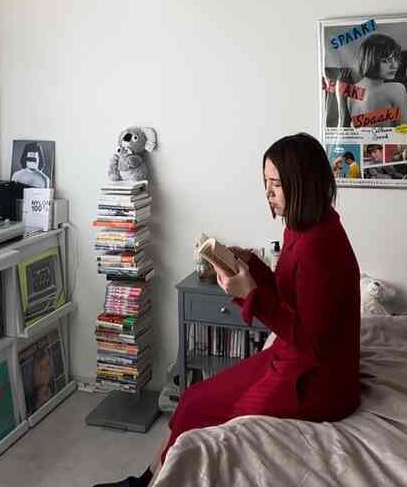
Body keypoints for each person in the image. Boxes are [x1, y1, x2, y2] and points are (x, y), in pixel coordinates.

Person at [94, 133, 361, 487]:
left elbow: (313, 341)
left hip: (315, 383)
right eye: (265, 183)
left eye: (276, 185)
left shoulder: (321, 248)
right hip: (292, 358)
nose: (268, 193)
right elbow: (289, 292)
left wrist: (251, 294)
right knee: (193, 398)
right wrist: (248, 262)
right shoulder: (305, 226)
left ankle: (153, 482)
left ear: (303, 184)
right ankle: (148, 479)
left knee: (218, 423)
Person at [346, 33, 407, 128]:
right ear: (370, 60)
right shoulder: (396, 89)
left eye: (396, 59)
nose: (394, 66)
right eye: (385, 61)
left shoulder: (352, 93)